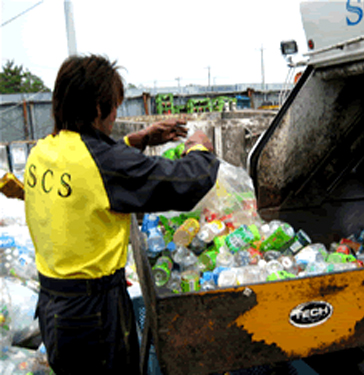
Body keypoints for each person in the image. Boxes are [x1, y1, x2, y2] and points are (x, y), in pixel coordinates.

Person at [24, 54, 220, 375]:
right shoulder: (106, 164)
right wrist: (199, 148)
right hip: (94, 314)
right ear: (99, 108)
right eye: (114, 105)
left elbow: (93, 167)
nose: (115, 114)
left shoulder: (44, 150)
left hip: (54, 306)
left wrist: (137, 141)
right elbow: (188, 182)